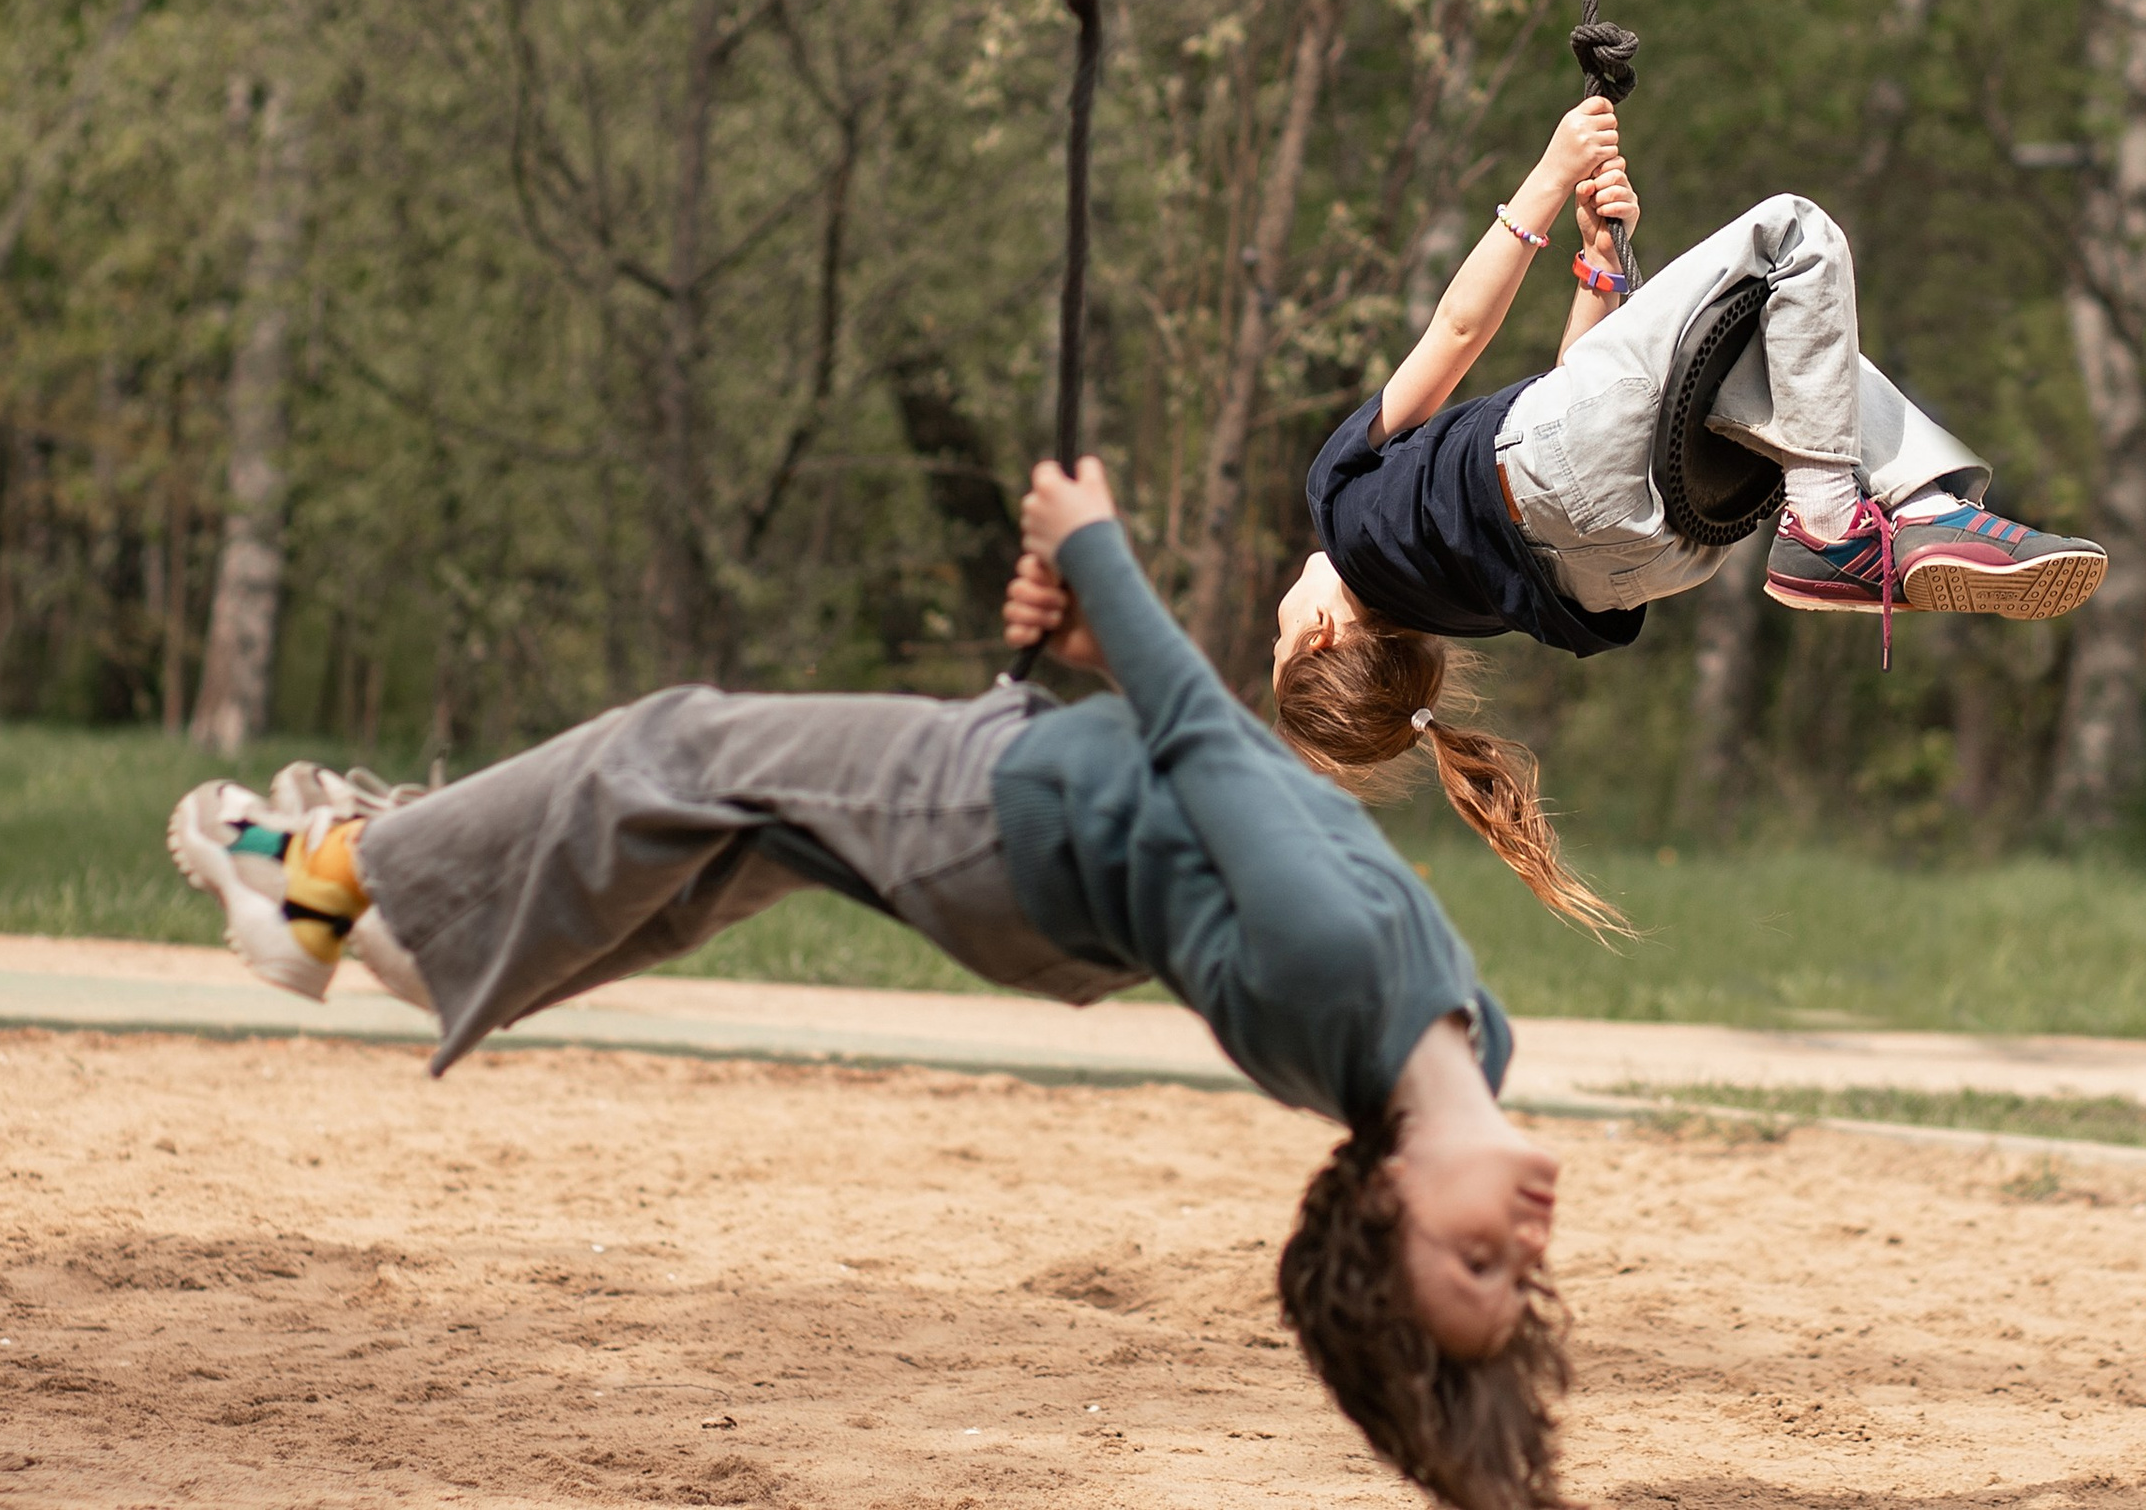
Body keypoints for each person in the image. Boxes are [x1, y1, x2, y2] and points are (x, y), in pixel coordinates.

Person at [166, 459, 1573, 1510]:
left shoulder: (1348, 993)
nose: (1523, 1236)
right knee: (715, 842)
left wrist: (1101, 558)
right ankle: (404, 931)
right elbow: (1253, 803)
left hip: (999, 828)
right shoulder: (1468, 1041)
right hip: (1046, 845)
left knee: (675, 751)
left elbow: (1212, 747)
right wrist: (1095, 659)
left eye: (1472, 1265)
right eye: (1521, 1275)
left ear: (1386, 1206)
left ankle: (350, 881)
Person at [1272, 95, 2104, 922]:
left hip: (1650, 560)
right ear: (1317, 636)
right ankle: (1830, 522)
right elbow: (1456, 332)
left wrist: (1602, 267)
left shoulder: (1455, 606)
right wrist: (1552, 174)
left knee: (1787, 354)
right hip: (1549, 470)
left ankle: (1918, 509)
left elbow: (1580, 404)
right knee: (1792, 236)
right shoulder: (1342, 508)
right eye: (1280, 642)